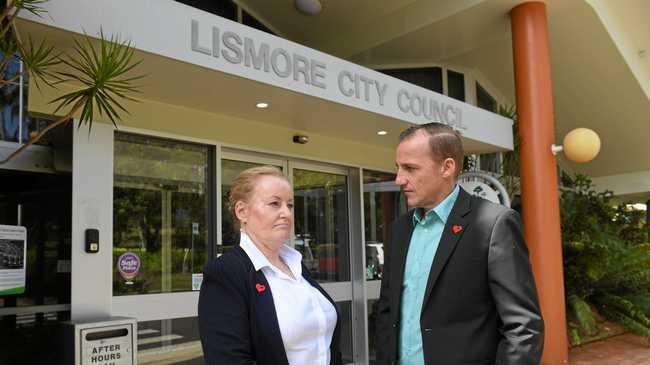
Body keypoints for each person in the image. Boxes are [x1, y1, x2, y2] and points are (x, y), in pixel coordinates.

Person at [375, 123, 544, 365]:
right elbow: (387, 310)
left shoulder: (493, 223)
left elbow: (523, 327)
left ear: (447, 167)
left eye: (410, 168)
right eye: (398, 168)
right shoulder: (400, 229)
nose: (399, 179)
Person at [198, 166, 342, 365]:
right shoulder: (226, 272)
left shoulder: (297, 266)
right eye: (274, 203)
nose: (286, 213)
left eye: (289, 205)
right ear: (242, 211)